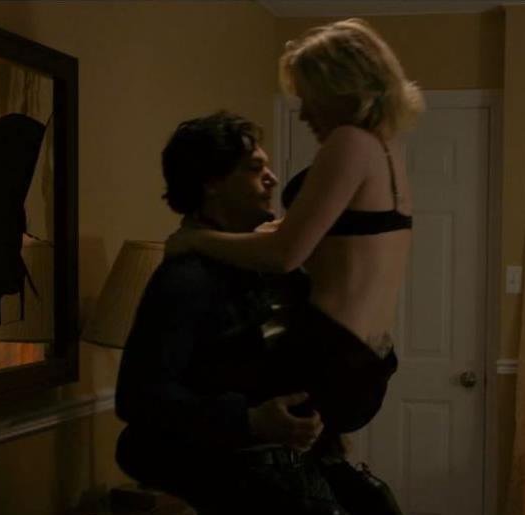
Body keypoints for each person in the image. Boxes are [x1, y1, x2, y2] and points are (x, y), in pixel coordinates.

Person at [113, 111, 382, 515]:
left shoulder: (272, 266)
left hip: (304, 482)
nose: (272, 177)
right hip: (239, 495)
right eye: (254, 167)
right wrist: (248, 420)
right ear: (212, 182)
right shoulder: (183, 281)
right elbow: (138, 398)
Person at [166, 18, 423, 440]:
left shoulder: (349, 141)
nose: (303, 113)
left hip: (327, 355)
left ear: (341, 88)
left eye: (309, 98)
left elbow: (284, 255)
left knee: (179, 407)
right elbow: (337, 238)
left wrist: (194, 239)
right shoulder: (386, 152)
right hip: (371, 361)